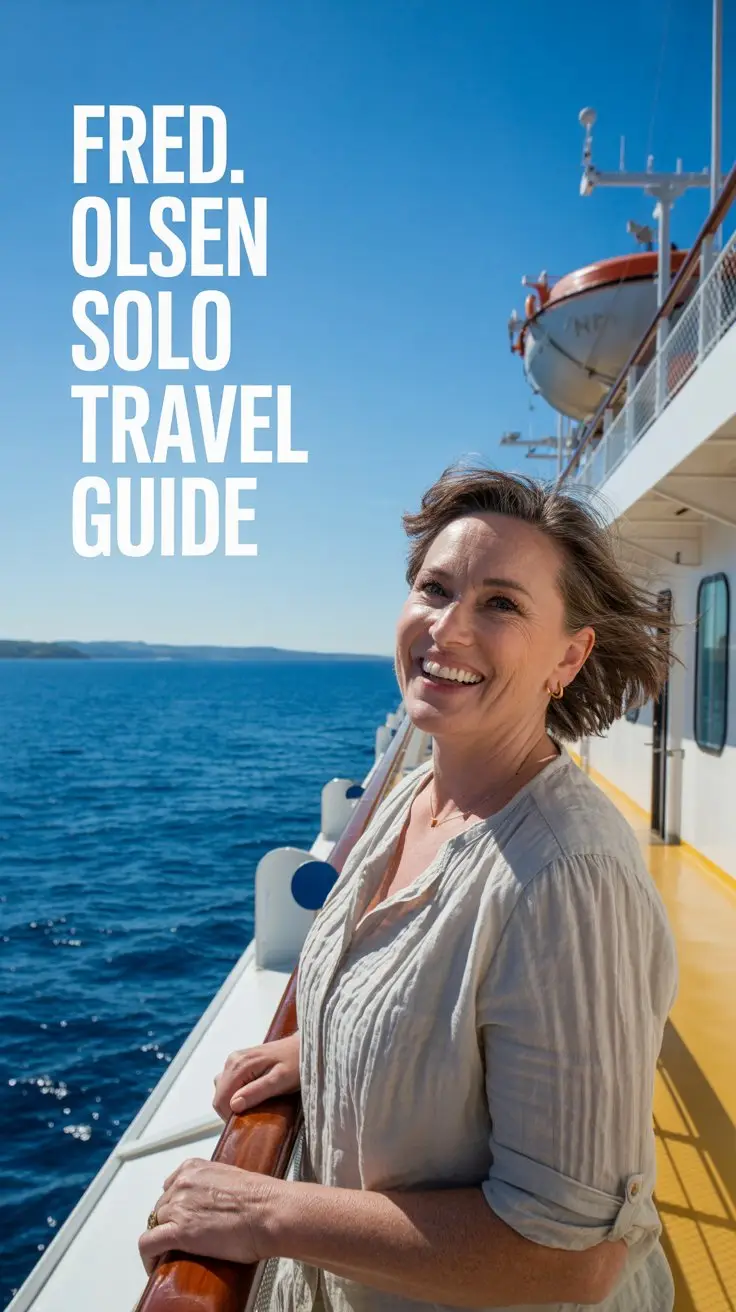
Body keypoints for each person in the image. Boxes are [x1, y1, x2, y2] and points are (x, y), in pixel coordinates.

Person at [139, 466, 678, 1311]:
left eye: (501, 604)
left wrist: (268, 1210)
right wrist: (326, 1043)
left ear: (569, 656)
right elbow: (434, 1013)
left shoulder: (567, 880)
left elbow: (570, 1258)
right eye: (435, 587)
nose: (449, 626)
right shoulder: (414, 797)